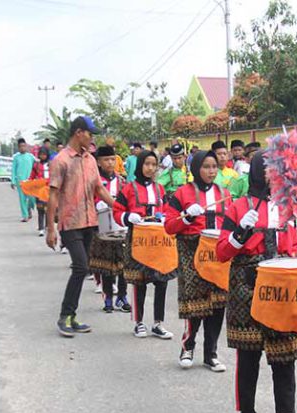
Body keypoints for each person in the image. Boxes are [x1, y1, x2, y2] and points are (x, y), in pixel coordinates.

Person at [217, 154, 297, 413]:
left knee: (285, 352)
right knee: (249, 351)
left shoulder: (287, 208)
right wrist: (240, 233)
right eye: (269, 170)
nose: (274, 176)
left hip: (280, 284)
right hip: (247, 284)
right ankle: (247, 412)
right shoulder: (238, 206)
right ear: (257, 173)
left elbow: (294, 248)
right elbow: (222, 252)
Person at [46, 116, 115, 337]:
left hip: (90, 222)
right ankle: (64, 316)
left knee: (85, 267)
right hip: (70, 223)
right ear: (78, 132)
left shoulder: (90, 160)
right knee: (80, 267)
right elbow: (53, 195)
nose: (92, 137)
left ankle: (72, 316)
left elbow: (100, 189)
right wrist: (50, 228)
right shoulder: (61, 160)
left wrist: (121, 207)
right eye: (89, 133)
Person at [164, 150, 230, 371]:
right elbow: (169, 226)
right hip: (192, 252)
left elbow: (230, 223)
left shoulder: (224, 193)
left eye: (214, 167)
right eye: (206, 166)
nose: (211, 171)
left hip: (218, 254)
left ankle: (211, 353)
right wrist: (187, 216)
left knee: (218, 303)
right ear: (196, 168)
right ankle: (188, 346)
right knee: (196, 303)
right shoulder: (182, 194)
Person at [113, 151, 175, 339]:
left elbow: (166, 210)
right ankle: (139, 322)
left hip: (158, 240)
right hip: (139, 239)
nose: (150, 168)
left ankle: (158, 323)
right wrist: (127, 217)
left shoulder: (160, 189)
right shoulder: (129, 189)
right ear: (140, 165)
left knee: (161, 281)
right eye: (146, 164)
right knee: (140, 281)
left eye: (153, 164)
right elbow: (117, 211)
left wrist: (164, 217)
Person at [89, 146, 130, 314]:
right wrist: (96, 204)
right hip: (102, 225)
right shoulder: (94, 181)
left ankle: (122, 296)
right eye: (106, 159)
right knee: (106, 264)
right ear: (99, 162)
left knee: (123, 263)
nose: (110, 163)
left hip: (120, 226)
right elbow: (88, 201)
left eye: (113, 159)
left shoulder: (122, 182)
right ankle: (107, 297)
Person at [11, 138, 37, 222]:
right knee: (22, 199)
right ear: (18, 148)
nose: (22, 148)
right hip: (20, 181)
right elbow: (13, 170)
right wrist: (13, 181)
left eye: (24, 146)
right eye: (20, 146)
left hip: (30, 181)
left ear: (26, 146)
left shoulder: (30, 156)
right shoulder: (16, 157)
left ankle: (29, 207)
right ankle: (25, 215)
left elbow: (37, 164)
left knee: (32, 198)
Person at [29, 147, 51, 236]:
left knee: (48, 210)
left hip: (49, 191)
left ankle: (47, 226)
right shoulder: (36, 165)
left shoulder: (51, 164)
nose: (42, 156)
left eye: (44, 154)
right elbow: (32, 176)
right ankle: (41, 228)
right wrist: (29, 183)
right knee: (40, 209)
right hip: (39, 191)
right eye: (41, 154)